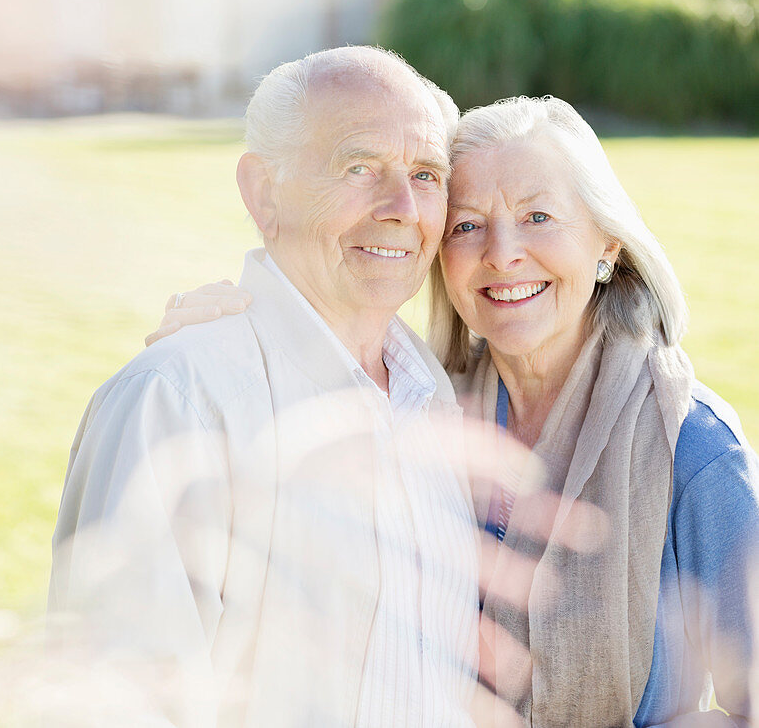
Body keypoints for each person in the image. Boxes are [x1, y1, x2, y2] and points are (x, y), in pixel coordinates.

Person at [151, 95, 759, 726]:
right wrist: (222, 346)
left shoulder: (691, 449)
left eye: (538, 216)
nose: (502, 254)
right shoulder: (415, 411)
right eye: (467, 225)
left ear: (607, 243)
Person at [49, 46, 483, 726]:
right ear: (264, 192)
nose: (402, 206)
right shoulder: (179, 401)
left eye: (426, 174)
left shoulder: (434, 396)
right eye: (359, 167)